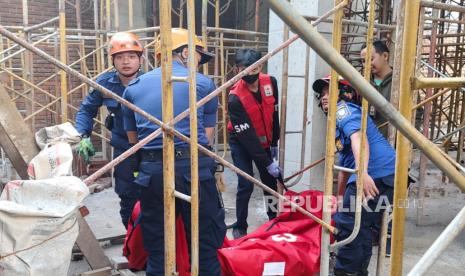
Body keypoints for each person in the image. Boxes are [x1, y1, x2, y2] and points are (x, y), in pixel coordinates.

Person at [122, 28, 226, 276]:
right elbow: (206, 138)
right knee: (205, 245)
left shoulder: (133, 89)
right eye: (199, 55)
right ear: (186, 52)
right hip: (194, 170)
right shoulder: (203, 84)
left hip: (152, 172)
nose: (200, 62)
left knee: (158, 246)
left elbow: (134, 140)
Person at [312, 75, 396, 276]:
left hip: (376, 173)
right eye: (322, 94)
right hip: (387, 173)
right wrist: (340, 198)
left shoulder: (343, 110)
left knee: (349, 223)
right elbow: (344, 165)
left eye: (329, 91)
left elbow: (360, 139)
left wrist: (362, 174)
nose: (324, 97)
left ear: (345, 93)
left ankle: (345, 272)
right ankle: (357, 272)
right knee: (361, 225)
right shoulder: (339, 122)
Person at [75, 32, 144, 228]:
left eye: (131, 56)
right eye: (120, 57)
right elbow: (86, 110)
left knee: (153, 195)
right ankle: (132, 241)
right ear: (113, 61)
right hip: (123, 148)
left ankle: (153, 245)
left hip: (150, 147)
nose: (126, 62)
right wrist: (83, 135)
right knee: (127, 195)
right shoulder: (105, 84)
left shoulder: (152, 82)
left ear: (140, 59)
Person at [227, 49, 282, 239]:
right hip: (241, 142)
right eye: (242, 69)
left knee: (270, 182)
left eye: (252, 68)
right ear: (237, 70)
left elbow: (274, 114)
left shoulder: (271, 82)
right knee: (246, 182)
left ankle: (273, 219)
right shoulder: (235, 97)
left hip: (265, 140)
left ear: (260, 66)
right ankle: (240, 224)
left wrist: (275, 143)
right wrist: (267, 162)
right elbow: (248, 137)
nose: (248, 74)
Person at [360, 40, 393, 138]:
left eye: (371, 59)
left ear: (385, 56)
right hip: (369, 144)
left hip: (394, 145)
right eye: (363, 61)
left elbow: (416, 114)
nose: (366, 64)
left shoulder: (400, 83)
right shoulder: (362, 83)